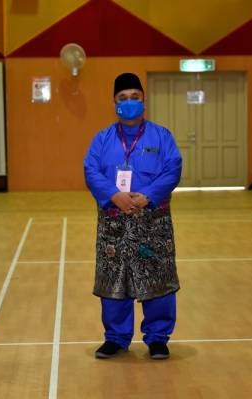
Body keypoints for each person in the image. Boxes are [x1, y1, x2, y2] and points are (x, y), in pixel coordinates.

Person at [84, 73, 182, 360]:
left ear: (144, 100)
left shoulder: (161, 136)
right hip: (113, 223)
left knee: (158, 278)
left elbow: (173, 168)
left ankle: (158, 338)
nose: (129, 103)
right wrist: (115, 195)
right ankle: (115, 337)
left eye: (135, 97)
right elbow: (91, 171)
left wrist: (149, 194)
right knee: (114, 278)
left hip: (152, 221)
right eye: (123, 98)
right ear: (114, 102)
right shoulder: (101, 139)